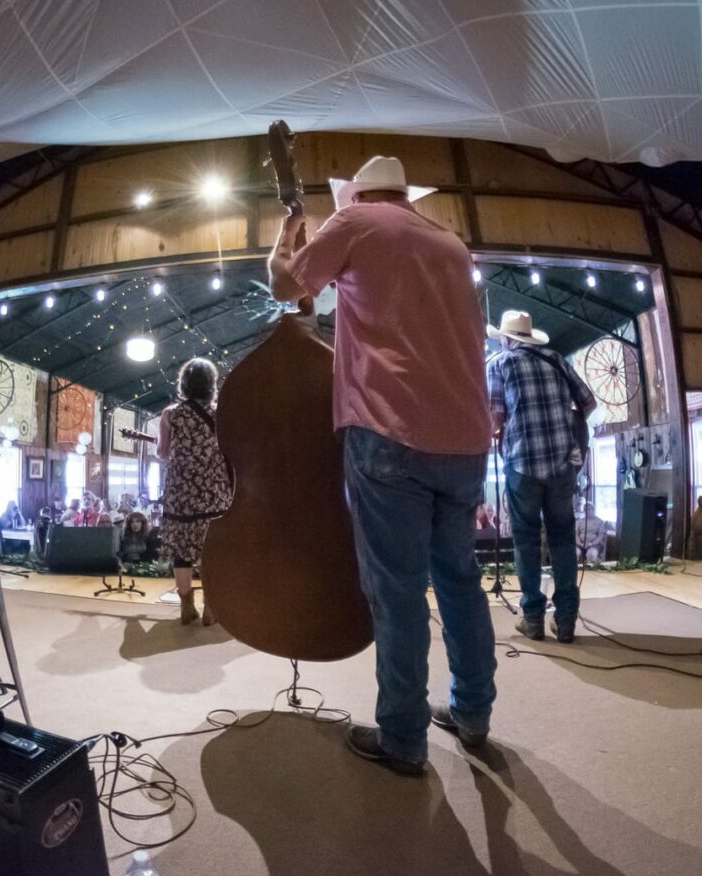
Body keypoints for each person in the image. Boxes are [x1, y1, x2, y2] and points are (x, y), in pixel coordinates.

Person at [268, 155, 497, 776]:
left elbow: (285, 288)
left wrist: (287, 234)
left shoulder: (355, 222)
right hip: (466, 437)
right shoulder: (450, 244)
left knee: (396, 590)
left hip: (390, 431)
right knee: (459, 578)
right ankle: (474, 715)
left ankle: (403, 738)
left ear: (358, 195)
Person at [486, 309, 596, 644]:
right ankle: (565, 622)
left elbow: (493, 419)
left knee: (526, 541)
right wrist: (560, 421)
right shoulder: (557, 360)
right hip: (563, 463)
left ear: (506, 338)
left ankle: (533, 620)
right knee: (563, 539)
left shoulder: (500, 364)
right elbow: (588, 404)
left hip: (522, 464)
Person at [158, 357, 233, 625]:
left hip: (181, 492)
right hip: (214, 489)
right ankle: (211, 606)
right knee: (211, 549)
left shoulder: (170, 414)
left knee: (183, 550)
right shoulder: (221, 412)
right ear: (211, 385)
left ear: (184, 384)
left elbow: (163, 452)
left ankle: (186, 606)